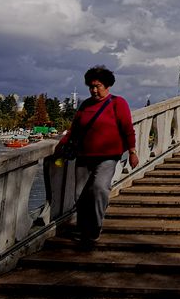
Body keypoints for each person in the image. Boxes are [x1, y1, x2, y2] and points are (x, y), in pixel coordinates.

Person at [54, 65, 138, 248]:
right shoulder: (85, 105)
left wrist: (132, 151)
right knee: (80, 194)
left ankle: (95, 227)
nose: (93, 90)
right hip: (84, 155)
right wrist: (62, 144)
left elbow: (127, 129)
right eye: (91, 86)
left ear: (107, 86)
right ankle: (84, 228)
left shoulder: (118, 103)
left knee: (100, 188)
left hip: (109, 155)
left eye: (97, 86)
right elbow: (75, 129)